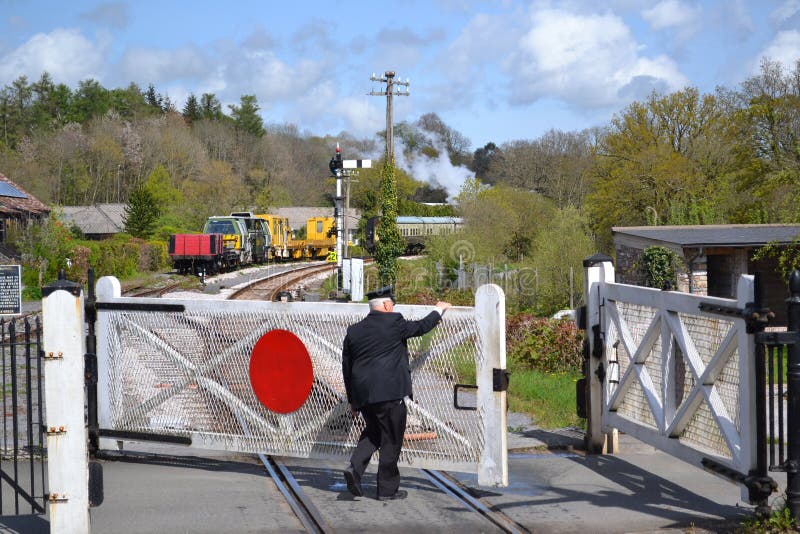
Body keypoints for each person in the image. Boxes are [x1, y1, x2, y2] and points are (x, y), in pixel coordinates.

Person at [341, 285, 451, 500]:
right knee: (391, 439)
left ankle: (354, 468)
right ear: (385, 305)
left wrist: (353, 400)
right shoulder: (394, 322)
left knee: (373, 431)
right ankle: (387, 491)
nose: (392, 307)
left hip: (364, 394)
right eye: (391, 303)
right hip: (389, 393)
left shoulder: (354, 331)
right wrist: (438, 310)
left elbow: (346, 366)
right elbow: (421, 327)